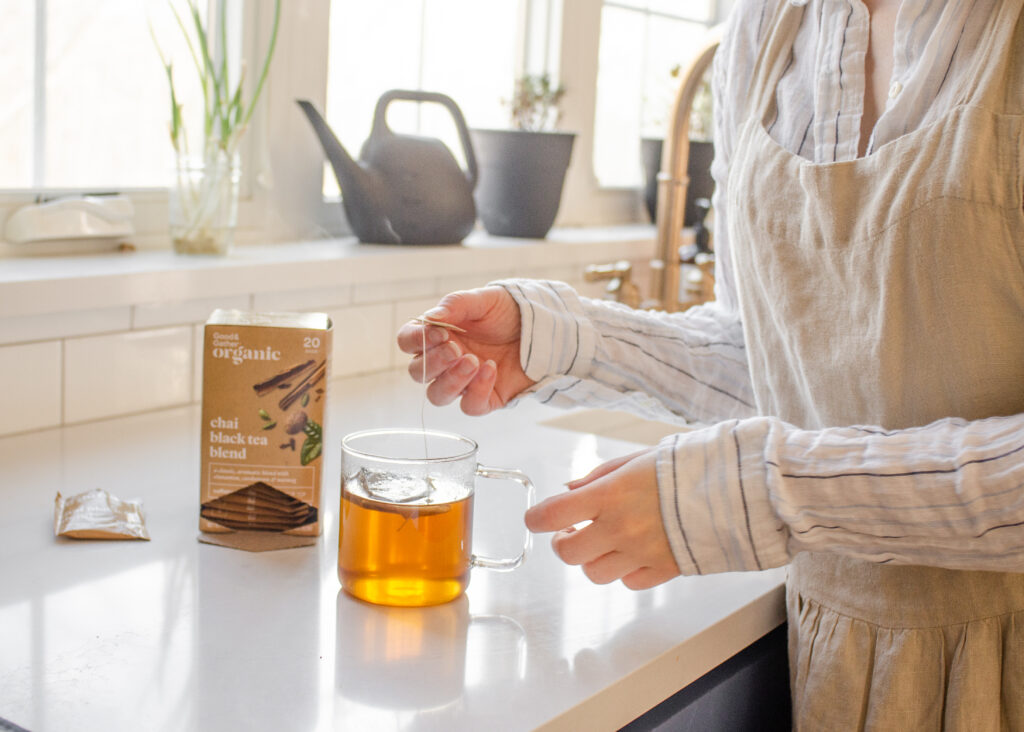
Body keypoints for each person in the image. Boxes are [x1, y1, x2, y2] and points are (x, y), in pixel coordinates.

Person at [396, 0, 1024, 726]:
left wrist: (759, 493)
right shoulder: (766, 32)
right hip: (842, 661)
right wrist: (569, 340)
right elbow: (783, 367)